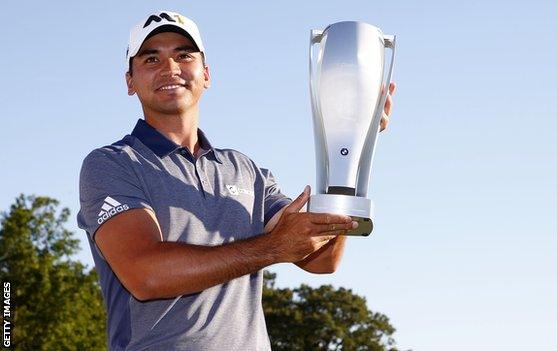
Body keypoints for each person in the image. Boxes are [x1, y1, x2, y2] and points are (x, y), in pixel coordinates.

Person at [78, 10, 396, 351]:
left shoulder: (245, 170)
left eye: (184, 55)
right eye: (151, 58)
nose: (170, 68)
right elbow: (146, 274)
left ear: (206, 74)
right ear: (130, 82)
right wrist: (273, 247)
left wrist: (349, 145)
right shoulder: (111, 165)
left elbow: (321, 259)